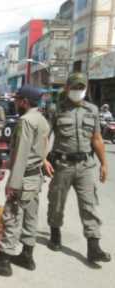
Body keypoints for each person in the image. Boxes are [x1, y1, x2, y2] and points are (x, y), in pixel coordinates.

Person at [0, 85, 50, 276]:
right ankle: (27, 256)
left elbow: (22, 154)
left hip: (24, 177)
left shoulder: (26, 121)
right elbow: (42, 149)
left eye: (17, 100)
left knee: (11, 216)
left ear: (25, 102)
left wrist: (13, 184)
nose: (16, 103)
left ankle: (3, 261)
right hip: (35, 177)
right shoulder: (42, 119)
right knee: (30, 216)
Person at [45, 73, 111, 264]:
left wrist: (104, 164)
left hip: (85, 165)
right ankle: (55, 233)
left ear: (86, 89)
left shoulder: (92, 110)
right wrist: (43, 159)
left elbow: (97, 139)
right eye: (74, 87)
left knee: (89, 204)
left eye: (81, 88)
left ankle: (93, 246)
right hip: (62, 164)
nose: (78, 91)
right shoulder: (56, 109)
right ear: (67, 88)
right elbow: (44, 136)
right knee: (57, 202)